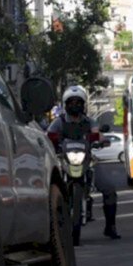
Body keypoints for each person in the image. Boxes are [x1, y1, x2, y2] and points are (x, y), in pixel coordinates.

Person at [47, 85, 121, 243]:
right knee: (48, 190)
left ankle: (111, 226)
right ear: (66, 104)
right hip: (64, 160)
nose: (75, 105)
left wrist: (102, 140)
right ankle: (51, 229)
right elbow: (49, 135)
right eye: (71, 102)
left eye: (78, 102)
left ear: (84, 104)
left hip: (87, 160)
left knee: (109, 188)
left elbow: (97, 133)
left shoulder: (89, 121)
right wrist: (51, 141)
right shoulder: (59, 122)